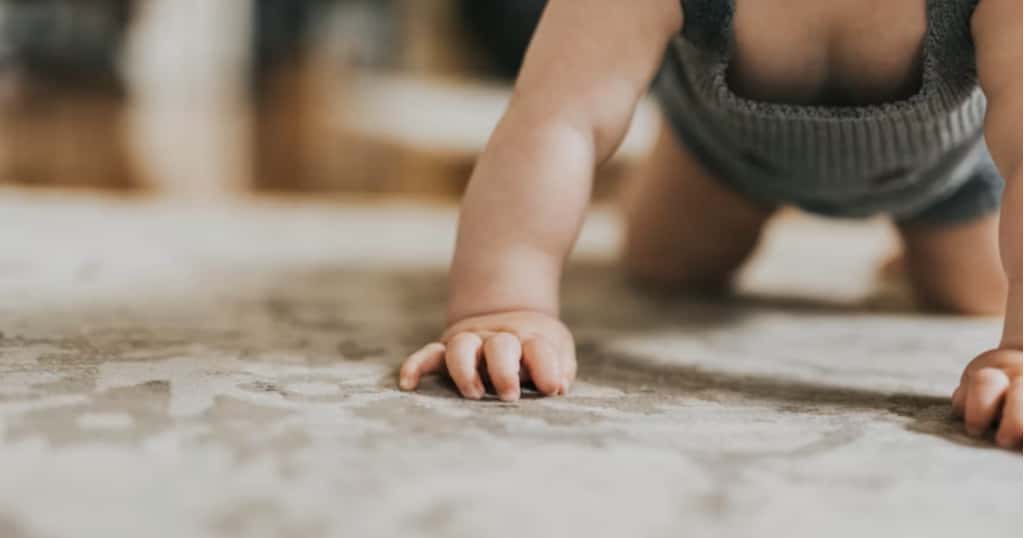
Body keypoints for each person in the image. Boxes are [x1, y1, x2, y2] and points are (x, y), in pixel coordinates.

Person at [398, 0, 1022, 449]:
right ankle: (665, 166)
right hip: (722, 158)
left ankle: (916, 244)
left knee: (969, 293)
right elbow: (557, 118)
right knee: (663, 262)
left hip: (942, 177)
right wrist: (504, 305)